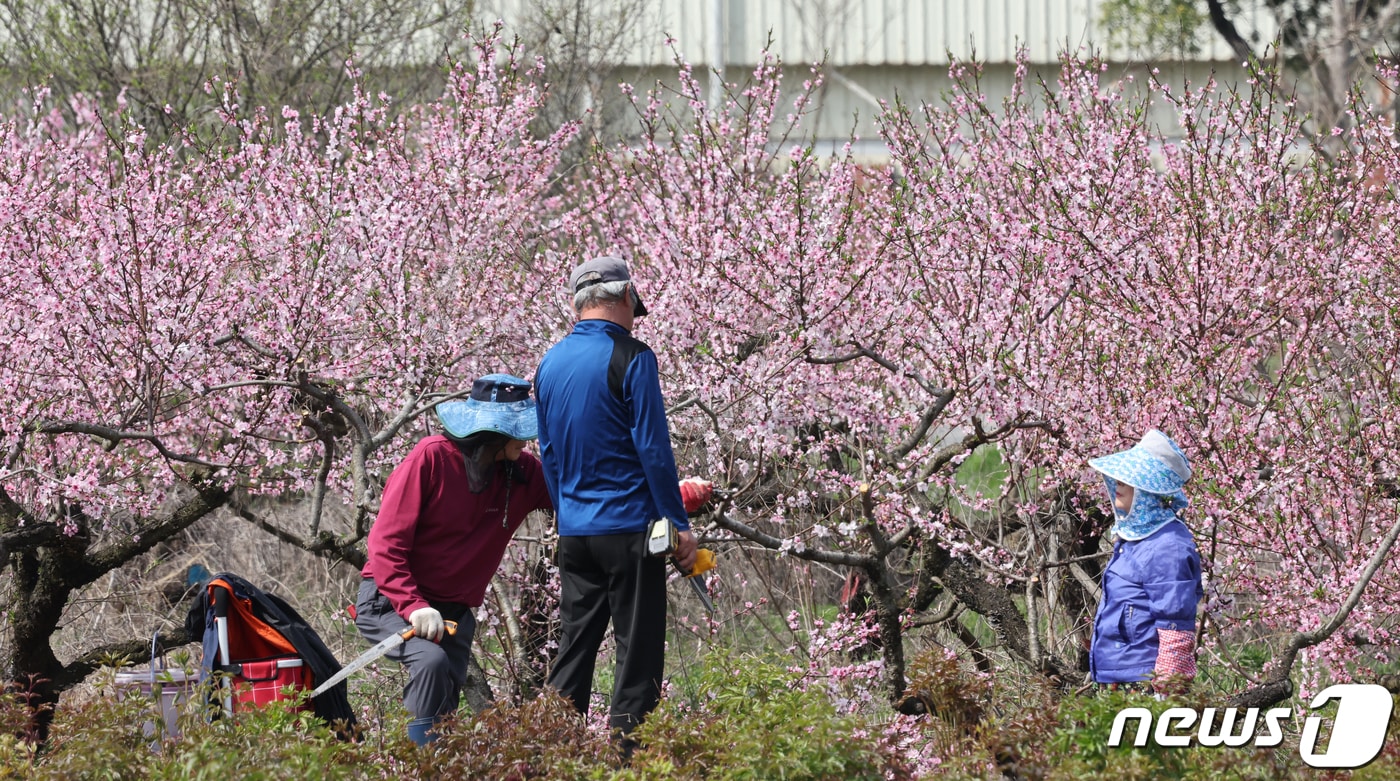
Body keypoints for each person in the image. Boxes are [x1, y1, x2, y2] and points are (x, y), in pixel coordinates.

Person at [533, 255, 713, 744]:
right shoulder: (634, 357)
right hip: (630, 529)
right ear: (628, 296)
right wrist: (679, 524)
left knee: (574, 649)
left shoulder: (548, 364)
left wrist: (565, 512)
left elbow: (548, 453)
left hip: (575, 533)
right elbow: (652, 449)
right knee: (637, 654)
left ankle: (553, 755)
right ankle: (631, 759)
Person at [356, 373, 552, 745]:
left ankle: (432, 762)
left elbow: (575, 494)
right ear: (495, 434)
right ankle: (418, 762)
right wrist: (414, 605)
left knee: (445, 707)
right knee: (431, 663)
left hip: (454, 614)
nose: (527, 441)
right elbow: (385, 544)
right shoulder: (432, 457)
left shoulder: (522, 472)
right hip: (392, 602)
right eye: (519, 432)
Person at [1087, 429, 1203, 693]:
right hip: (1125, 676)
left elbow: (1175, 627)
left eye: (1126, 482)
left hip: (1145, 683)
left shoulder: (1167, 546)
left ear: (1146, 491)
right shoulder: (1139, 540)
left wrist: (1166, 693)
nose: (1117, 487)